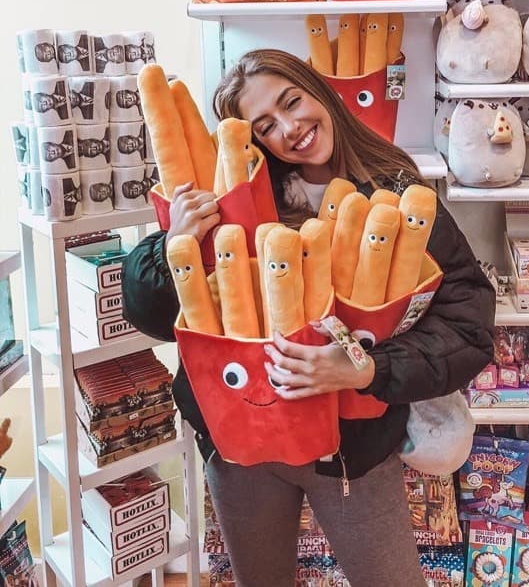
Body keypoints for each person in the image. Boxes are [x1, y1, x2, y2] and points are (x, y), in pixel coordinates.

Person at [122, 49, 494, 587]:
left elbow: (467, 322)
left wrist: (368, 368)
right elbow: (152, 315)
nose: (290, 129)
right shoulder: (236, 199)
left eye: (292, 102)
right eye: (265, 126)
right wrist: (173, 243)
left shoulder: (396, 196)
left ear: (316, 89)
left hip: (352, 454)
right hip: (243, 447)